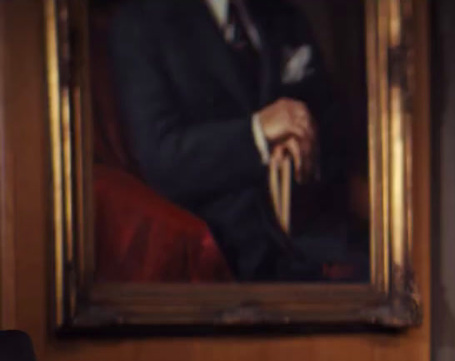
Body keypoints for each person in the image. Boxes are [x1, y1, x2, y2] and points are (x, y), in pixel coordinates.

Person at [108, 0, 367, 281]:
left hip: (321, 230)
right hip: (225, 250)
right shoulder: (141, 22)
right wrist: (258, 134)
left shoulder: (281, 14)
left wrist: (303, 148)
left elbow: (334, 126)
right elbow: (161, 156)